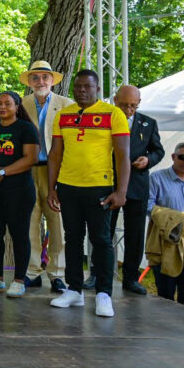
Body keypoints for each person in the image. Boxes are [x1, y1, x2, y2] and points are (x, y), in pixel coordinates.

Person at [48, 70, 130, 318]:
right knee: (72, 238)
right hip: (68, 186)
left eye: (87, 86)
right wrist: (52, 188)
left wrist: (121, 191)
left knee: (101, 239)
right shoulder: (63, 115)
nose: (82, 90)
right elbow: (55, 154)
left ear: (97, 88)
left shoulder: (113, 114)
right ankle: (74, 290)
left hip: (99, 187)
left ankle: (104, 294)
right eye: (78, 86)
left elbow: (123, 155)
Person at [83, 85, 163, 295]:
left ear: (139, 104)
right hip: (108, 183)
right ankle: (97, 274)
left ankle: (131, 278)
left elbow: (158, 151)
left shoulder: (148, 123)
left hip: (137, 186)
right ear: (115, 100)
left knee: (135, 234)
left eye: (133, 106)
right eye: (124, 104)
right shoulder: (103, 119)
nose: (128, 109)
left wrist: (148, 160)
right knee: (102, 233)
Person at [0, 91, 39, 298]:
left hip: (19, 190)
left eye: (8, 104)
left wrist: (1, 171)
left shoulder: (26, 129)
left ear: (17, 106)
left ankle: (19, 280)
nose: (2, 107)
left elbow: (30, 159)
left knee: (19, 234)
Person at [20, 60, 71, 293]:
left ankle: (58, 273)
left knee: (57, 222)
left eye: (45, 77)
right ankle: (32, 271)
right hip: (28, 169)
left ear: (52, 80)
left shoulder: (67, 105)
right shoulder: (21, 105)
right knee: (29, 221)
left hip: (56, 171)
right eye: (35, 78)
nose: (40, 82)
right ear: (29, 82)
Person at [147, 143, 184, 309]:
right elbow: (147, 205)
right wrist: (179, 219)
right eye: (183, 157)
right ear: (173, 156)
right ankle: (165, 324)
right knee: (166, 285)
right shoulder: (157, 178)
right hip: (168, 239)